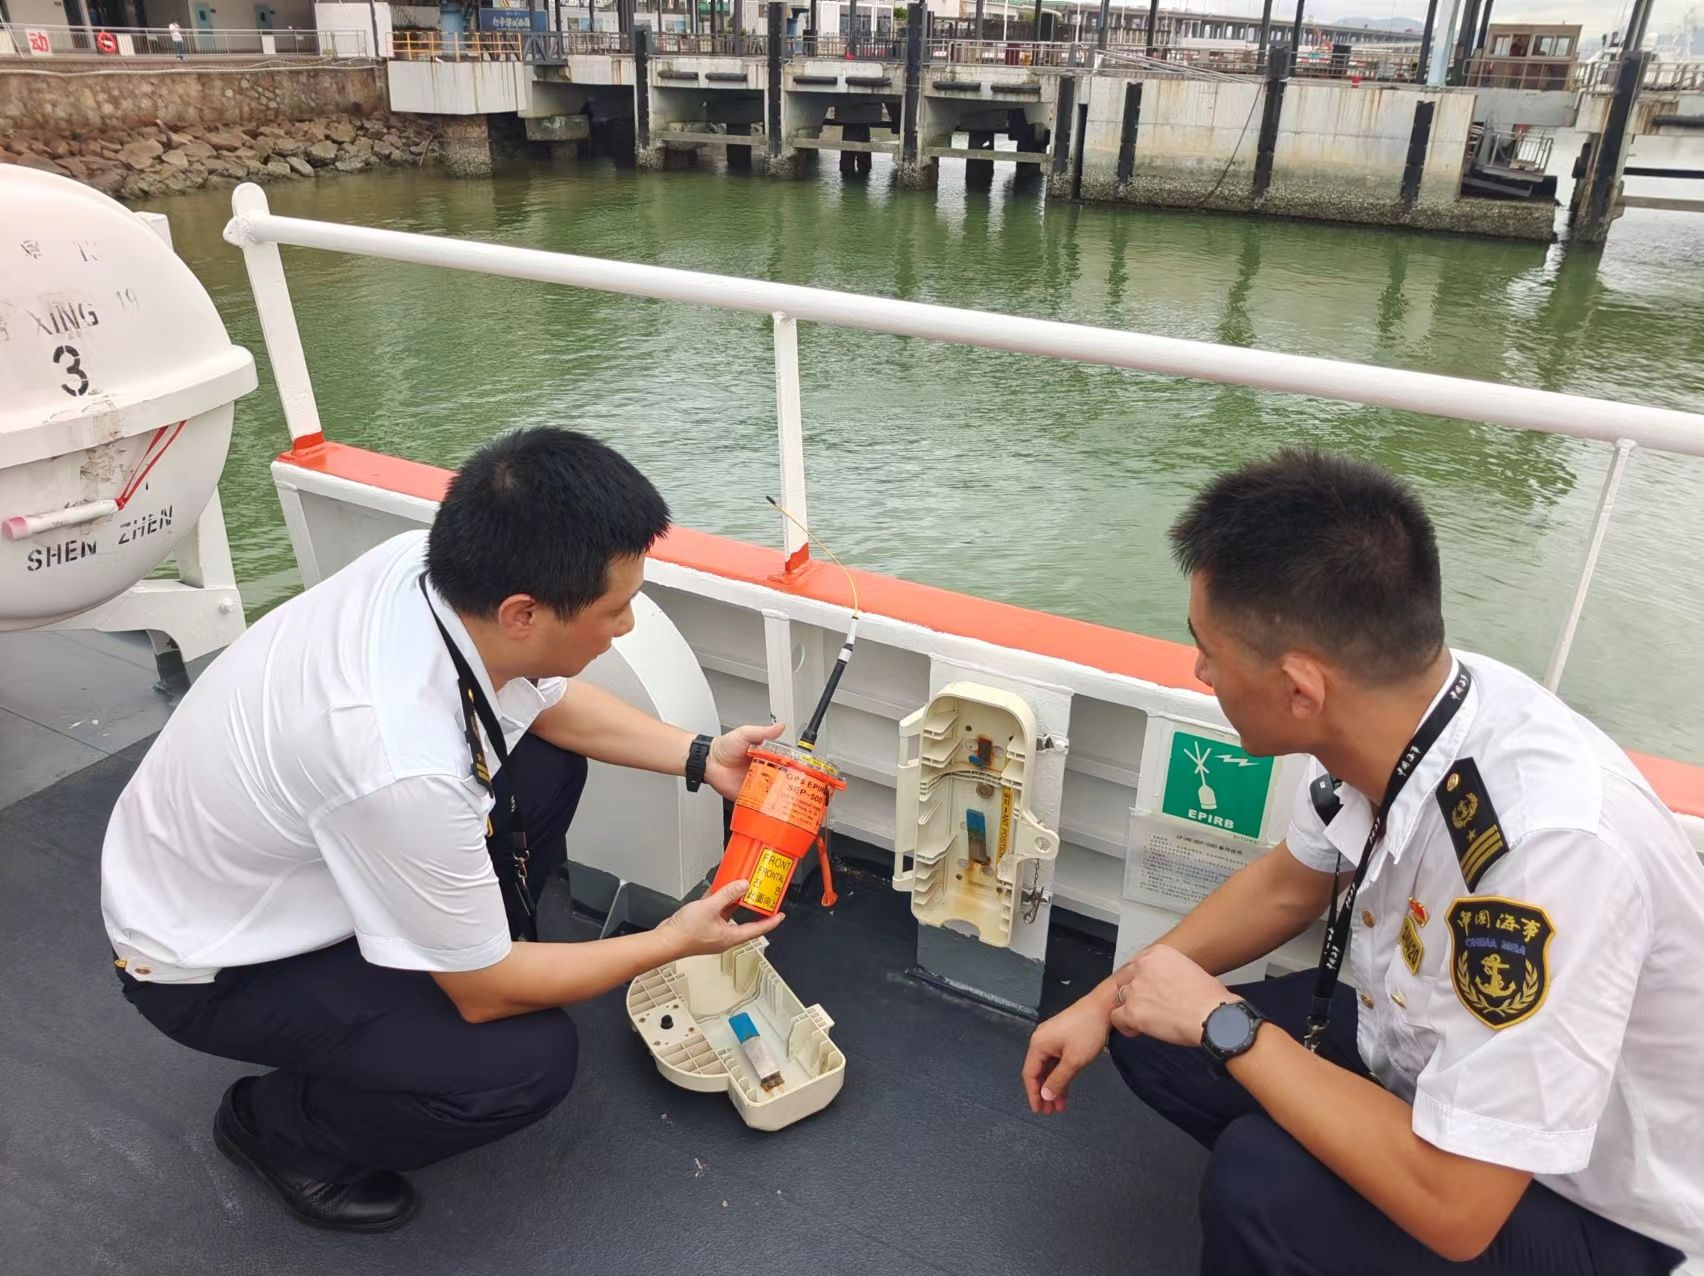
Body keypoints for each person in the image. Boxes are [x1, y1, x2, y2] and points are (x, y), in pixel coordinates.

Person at [1022, 449, 1702, 1275]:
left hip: (1590, 1206)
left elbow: (1460, 1210)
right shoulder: (1393, 709)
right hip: (1426, 1071)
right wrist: (1106, 995)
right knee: (1144, 1022)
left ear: (1301, 687)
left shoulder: (1550, 855)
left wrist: (1223, 1024)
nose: (1198, 671)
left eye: (1207, 650)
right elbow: (1287, 885)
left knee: (1258, 1182)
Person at [102, 428, 787, 1232]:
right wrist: (673, 939)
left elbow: (541, 694)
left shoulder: (420, 569)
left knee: (543, 767)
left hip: (265, 857)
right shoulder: (399, 761)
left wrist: (702, 757)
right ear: (523, 611)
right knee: (523, 1062)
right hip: (210, 962)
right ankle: (282, 1130)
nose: (627, 627)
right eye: (616, 608)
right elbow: (486, 994)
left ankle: (450, 951)